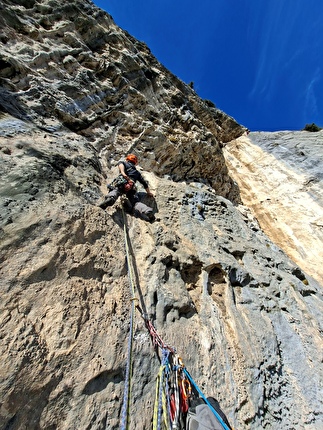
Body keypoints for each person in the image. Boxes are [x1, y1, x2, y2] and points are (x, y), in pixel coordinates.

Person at [99, 154, 155, 221]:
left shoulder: (124, 163)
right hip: (131, 187)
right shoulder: (137, 173)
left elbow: (121, 167)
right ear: (135, 163)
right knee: (135, 202)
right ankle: (147, 210)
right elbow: (144, 183)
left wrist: (123, 173)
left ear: (127, 159)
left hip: (122, 182)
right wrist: (148, 193)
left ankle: (111, 198)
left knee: (116, 190)